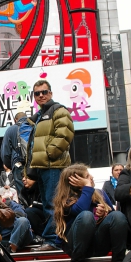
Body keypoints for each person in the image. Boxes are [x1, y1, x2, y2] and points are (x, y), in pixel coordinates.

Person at [27, 79, 74, 250]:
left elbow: (65, 135)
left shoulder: (59, 110)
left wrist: (49, 154)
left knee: (53, 203)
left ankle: (53, 240)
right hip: (44, 167)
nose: (41, 96)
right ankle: (53, 238)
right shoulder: (40, 116)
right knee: (49, 203)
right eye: (37, 93)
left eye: (44, 92)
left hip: (53, 165)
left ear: (51, 93)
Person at [52, 164, 127, 262]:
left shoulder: (100, 193)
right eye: (87, 176)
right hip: (75, 247)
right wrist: (87, 187)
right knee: (86, 215)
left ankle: (119, 261)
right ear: (76, 181)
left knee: (117, 215)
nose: (91, 177)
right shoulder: (65, 199)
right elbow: (80, 211)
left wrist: (104, 215)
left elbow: (114, 220)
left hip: (99, 243)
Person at [1, 112, 29, 195]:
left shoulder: (11, 129)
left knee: (22, 191)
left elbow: (5, 152)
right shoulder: (33, 126)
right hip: (34, 163)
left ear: (15, 120)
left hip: (18, 163)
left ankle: (25, 206)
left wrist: (10, 165)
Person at [19, 174, 48, 241]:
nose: (23, 179)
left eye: (27, 177)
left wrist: (34, 204)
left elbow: (49, 206)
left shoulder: (42, 188)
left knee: (29, 211)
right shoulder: (23, 192)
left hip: (45, 218)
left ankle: (44, 236)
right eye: (22, 177)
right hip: (30, 217)